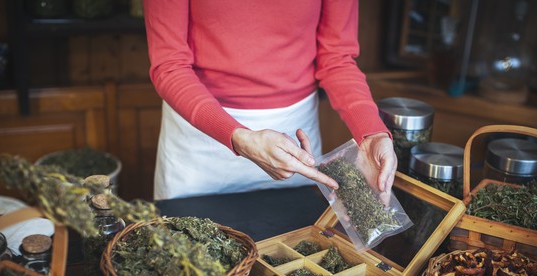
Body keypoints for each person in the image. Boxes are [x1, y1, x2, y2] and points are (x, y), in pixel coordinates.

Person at [143, 0, 397, 204]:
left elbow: (337, 59)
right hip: (200, 140)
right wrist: (239, 137)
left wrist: (371, 132)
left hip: (294, 139)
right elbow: (169, 66)